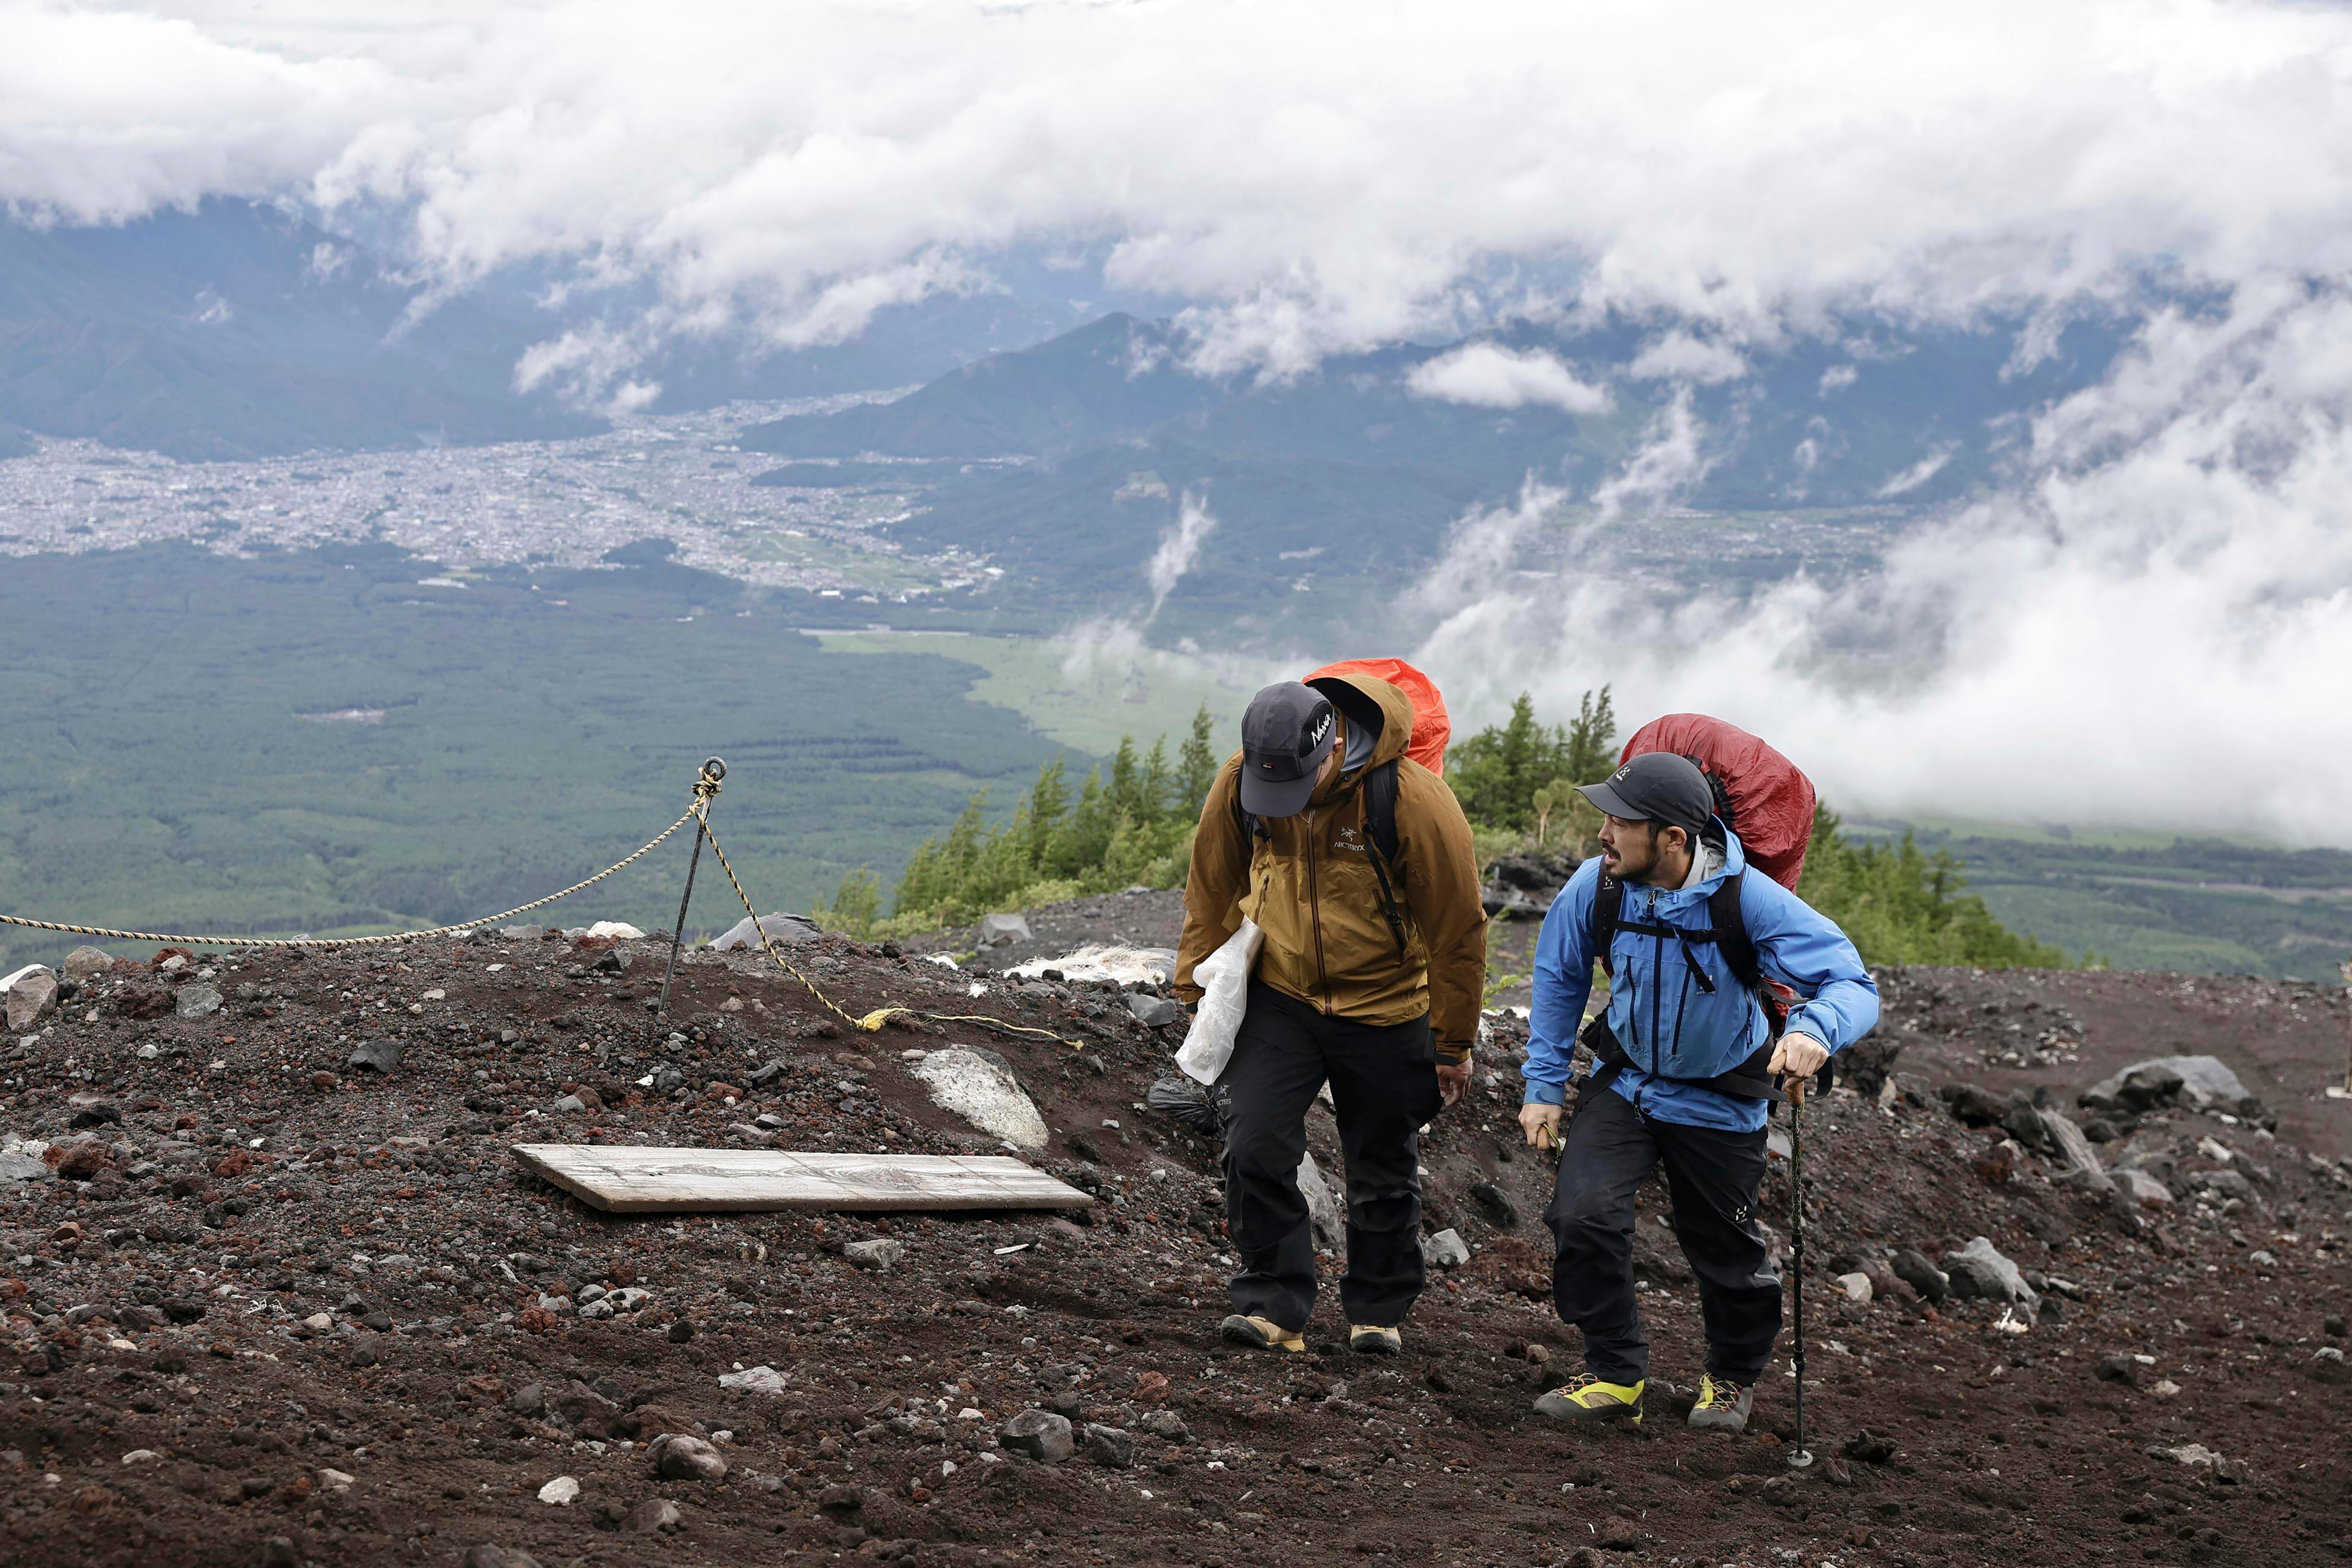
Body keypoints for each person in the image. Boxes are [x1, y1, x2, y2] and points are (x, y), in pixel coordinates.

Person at [1519, 752, 1877, 1431]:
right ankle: (1615, 1374)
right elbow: (1560, 977)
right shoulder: (1596, 887)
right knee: (1581, 1217)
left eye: (1620, 822)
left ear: (1674, 838)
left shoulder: (1751, 901)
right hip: (1625, 1086)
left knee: (1724, 1251)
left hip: (1722, 1098)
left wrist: (1815, 1033)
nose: (1603, 833)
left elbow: (1852, 985)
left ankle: (1731, 1379)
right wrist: (1542, 1086)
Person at [1176, 673, 1487, 1355]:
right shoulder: (1242, 783)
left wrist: (1451, 1040)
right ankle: (1274, 1307)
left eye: (1296, 786)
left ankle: (1377, 1311)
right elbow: (1211, 886)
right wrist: (1196, 993)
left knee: (1381, 1163)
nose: (1282, 802)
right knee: (1253, 1145)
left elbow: (1459, 929)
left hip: (1385, 1004)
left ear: (1332, 747)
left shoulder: (1411, 800)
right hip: (1280, 992)